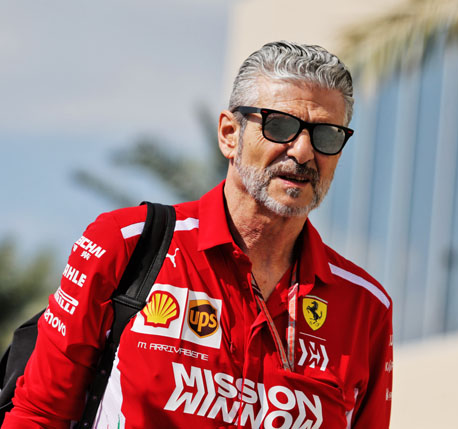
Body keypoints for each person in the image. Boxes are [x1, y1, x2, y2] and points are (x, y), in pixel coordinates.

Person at [4, 41, 393, 428]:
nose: (304, 151)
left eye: (327, 134)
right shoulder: (125, 242)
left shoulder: (366, 307)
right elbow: (37, 415)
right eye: (280, 126)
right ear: (229, 134)